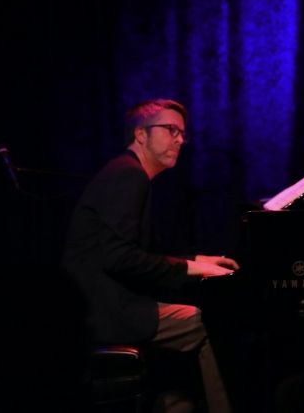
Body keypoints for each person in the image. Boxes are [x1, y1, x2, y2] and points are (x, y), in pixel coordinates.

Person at [62, 98, 239, 412]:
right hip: (107, 309)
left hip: (106, 302)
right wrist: (194, 269)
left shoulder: (127, 172)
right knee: (206, 321)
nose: (180, 140)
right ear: (140, 135)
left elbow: (139, 252)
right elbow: (120, 257)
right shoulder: (129, 176)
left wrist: (199, 260)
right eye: (171, 130)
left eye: (182, 133)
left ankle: (175, 401)